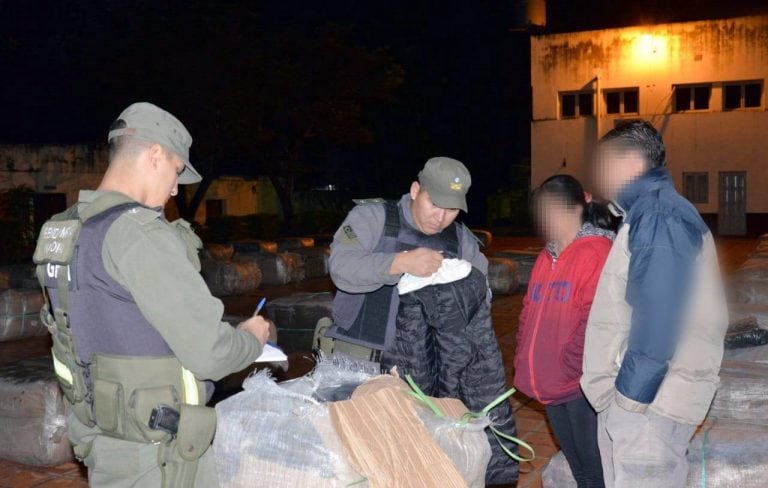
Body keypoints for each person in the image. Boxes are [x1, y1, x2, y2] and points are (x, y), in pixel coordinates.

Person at [32, 102, 272, 487]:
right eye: (177, 171)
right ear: (155, 154)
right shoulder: (138, 234)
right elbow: (210, 353)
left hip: (103, 440)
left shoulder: (62, 230)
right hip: (158, 455)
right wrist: (252, 338)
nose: (176, 188)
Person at [324, 157, 519, 485]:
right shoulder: (374, 218)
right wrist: (400, 262)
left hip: (423, 378)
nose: (441, 217)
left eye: (452, 209)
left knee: (414, 467)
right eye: (434, 203)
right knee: (355, 466)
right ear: (416, 190)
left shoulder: (459, 239)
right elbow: (341, 268)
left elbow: (480, 292)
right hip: (358, 367)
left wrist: (454, 287)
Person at [581, 120, 728, 487]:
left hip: (650, 403)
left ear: (631, 162)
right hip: (647, 400)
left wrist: (628, 400)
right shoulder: (646, 213)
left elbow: (658, 315)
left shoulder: (659, 214)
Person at [514, 174, 614, 488]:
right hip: (550, 382)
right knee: (577, 465)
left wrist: (568, 365)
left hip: (579, 385)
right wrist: (523, 357)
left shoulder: (596, 252)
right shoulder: (547, 256)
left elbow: (596, 320)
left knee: (594, 468)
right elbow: (529, 310)